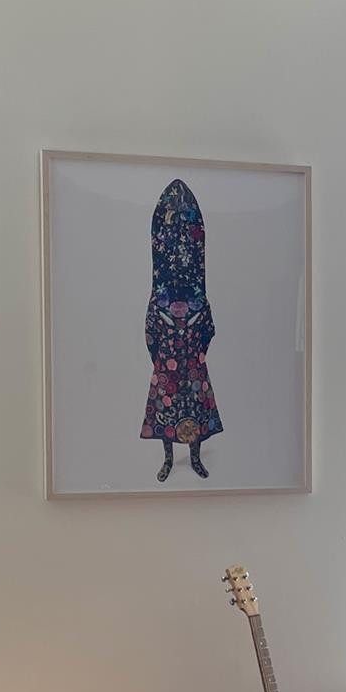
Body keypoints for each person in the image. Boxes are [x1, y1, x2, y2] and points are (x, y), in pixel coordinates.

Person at [141, 177, 223, 479]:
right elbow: (150, 333)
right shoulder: (160, 295)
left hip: (190, 353)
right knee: (166, 405)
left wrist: (195, 349)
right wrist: (163, 352)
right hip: (169, 353)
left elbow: (208, 331)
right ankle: (167, 459)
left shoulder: (197, 296)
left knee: (196, 407)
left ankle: (196, 457)